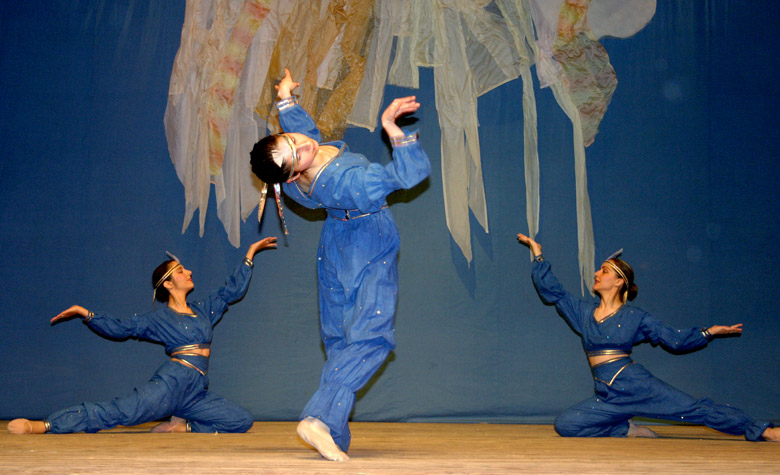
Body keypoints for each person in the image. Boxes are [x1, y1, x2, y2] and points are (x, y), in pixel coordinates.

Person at [249, 69, 431, 461]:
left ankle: (331, 428)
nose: (302, 144)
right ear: (293, 175)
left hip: (336, 243)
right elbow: (411, 173)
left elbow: (302, 133)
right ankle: (317, 418)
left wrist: (286, 101)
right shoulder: (348, 182)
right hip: (367, 243)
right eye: (296, 155)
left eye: (289, 139)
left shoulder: (299, 163)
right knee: (371, 338)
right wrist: (392, 129)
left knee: (340, 340)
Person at [515, 232, 780, 442]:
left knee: (696, 409)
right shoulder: (583, 313)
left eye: (604, 271)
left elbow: (674, 339)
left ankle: (764, 431)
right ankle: (623, 428)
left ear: (619, 281)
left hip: (636, 384)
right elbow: (554, 292)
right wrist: (537, 254)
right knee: (566, 424)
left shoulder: (635, 316)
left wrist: (708, 332)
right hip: (607, 394)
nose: (596, 274)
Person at [8, 237, 278, 435]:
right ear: (168, 284)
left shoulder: (203, 310)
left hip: (195, 391)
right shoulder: (159, 319)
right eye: (181, 271)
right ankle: (47, 424)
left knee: (241, 420)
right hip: (171, 384)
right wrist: (86, 313)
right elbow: (121, 328)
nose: (189, 272)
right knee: (122, 412)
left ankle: (181, 426)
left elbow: (231, 292)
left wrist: (250, 255)